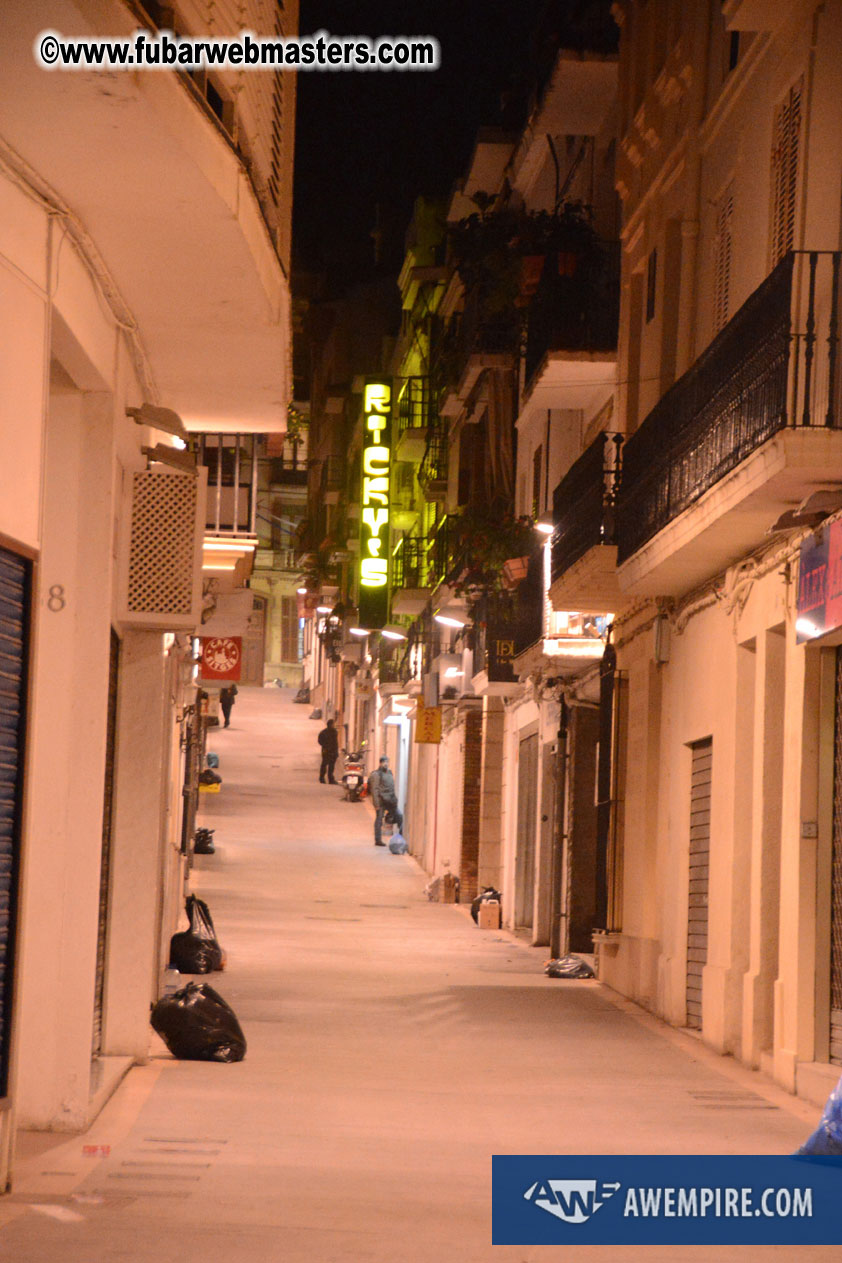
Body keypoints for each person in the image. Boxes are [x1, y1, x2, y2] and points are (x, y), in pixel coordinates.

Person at [368, 755, 403, 846]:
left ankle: (401, 838)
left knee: (399, 816)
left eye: (387, 762)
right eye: (384, 762)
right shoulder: (376, 774)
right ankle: (378, 840)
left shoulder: (389, 773)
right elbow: (374, 790)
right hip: (381, 801)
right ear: (380, 763)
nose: (386, 764)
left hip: (390, 800)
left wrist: (394, 800)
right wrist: (376, 804)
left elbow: (391, 787)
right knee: (379, 820)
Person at [317, 718, 339, 784]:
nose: (334, 725)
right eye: (333, 724)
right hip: (326, 751)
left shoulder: (335, 732)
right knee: (324, 765)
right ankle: (321, 778)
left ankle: (331, 779)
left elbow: (335, 743)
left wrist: (336, 752)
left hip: (333, 751)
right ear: (329, 724)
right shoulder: (323, 733)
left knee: (331, 766)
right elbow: (320, 741)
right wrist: (325, 746)